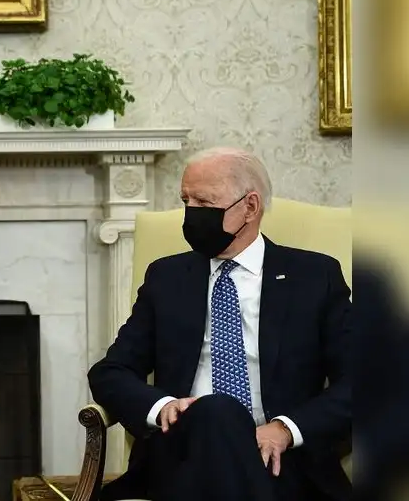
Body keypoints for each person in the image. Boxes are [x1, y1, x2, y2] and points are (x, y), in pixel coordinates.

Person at [88, 147, 352, 501]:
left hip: (281, 457)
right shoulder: (168, 278)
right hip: (183, 450)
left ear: (250, 207)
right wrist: (163, 406)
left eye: (205, 203)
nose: (191, 214)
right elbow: (110, 371)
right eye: (186, 201)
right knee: (215, 410)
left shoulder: (315, 277)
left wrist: (285, 430)